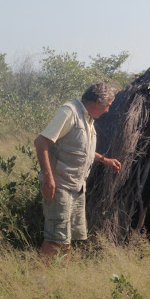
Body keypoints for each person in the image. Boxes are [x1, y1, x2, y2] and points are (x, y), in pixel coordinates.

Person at [34, 82, 121, 263]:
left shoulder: (87, 119)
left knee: (67, 238)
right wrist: (49, 180)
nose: (107, 111)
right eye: (107, 106)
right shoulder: (69, 112)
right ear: (97, 102)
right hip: (60, 186)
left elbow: (80, 149)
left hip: (77, 187)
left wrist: (105, 160)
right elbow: (41, 142)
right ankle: (39, 282)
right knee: (55, 238)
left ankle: (61, 280)